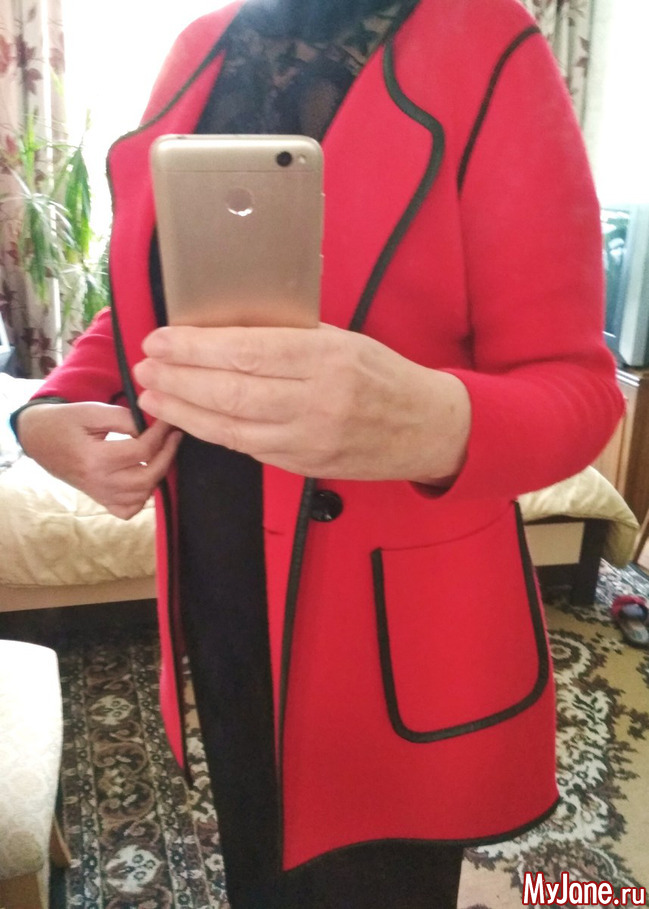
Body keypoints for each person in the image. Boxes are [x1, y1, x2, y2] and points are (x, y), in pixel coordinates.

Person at [13, 0, 624, 906]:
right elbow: (153, 287)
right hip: (218, 574)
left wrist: (429, 420)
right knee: (257, 853)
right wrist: (52, 405)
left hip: (394, 621)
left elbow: (578, 389)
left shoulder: (491, 44)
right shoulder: (200, 46)